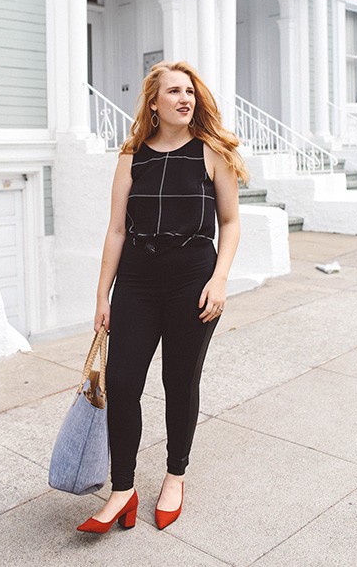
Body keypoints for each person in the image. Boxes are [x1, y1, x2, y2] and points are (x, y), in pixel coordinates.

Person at [77, 61, 247, 534]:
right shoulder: (132, 155)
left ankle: (175, 476)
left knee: (179, 380)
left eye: (189, 92)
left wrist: (220, 279)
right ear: (154, 102)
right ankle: (123, 489)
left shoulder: (210, 152)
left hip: (192, 279)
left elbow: (230, 223)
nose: (184, 99)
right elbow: (115, 229)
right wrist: (102, 295)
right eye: (173, 91)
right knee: (124, 381)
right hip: (136, 280)